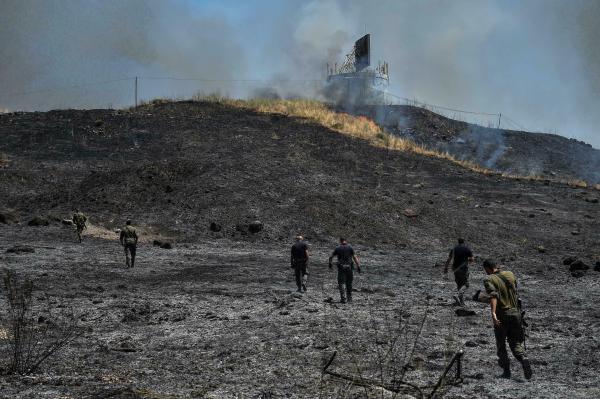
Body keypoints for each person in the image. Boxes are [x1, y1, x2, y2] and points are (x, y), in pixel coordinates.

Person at [482, 259, 532, 380]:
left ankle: (506, 371)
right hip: (516, 314)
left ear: (487, 268)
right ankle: (523, 358)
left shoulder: (488, 279)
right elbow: (513, 292)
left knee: (501, 344)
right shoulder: (510, 274)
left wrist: (493, 313)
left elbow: (494, 295)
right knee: (515, 342)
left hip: (502, 315)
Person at [328, 237, 360, 303]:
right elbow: (354, 257)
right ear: (346, 240)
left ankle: (343, 299)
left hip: (341, 267)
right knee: (349, 283)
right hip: (349, 267)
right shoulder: (350, 247)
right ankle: (349, 298)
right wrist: (358, 266)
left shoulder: (338, 248)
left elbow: (331, 256)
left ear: (340, 241)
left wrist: (330, 263)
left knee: (341, 283)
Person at [443, 238, 474, 306]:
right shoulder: (467, 249)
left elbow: (449, 259)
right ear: (463, 242)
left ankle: (461, 303)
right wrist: (467, 259)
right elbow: (472, 259)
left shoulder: (454, 249)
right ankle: (457, 295)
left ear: (458, 242)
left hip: (455, 269)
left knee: (459, 284)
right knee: (466, 284)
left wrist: (446, 268)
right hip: (464, 269)